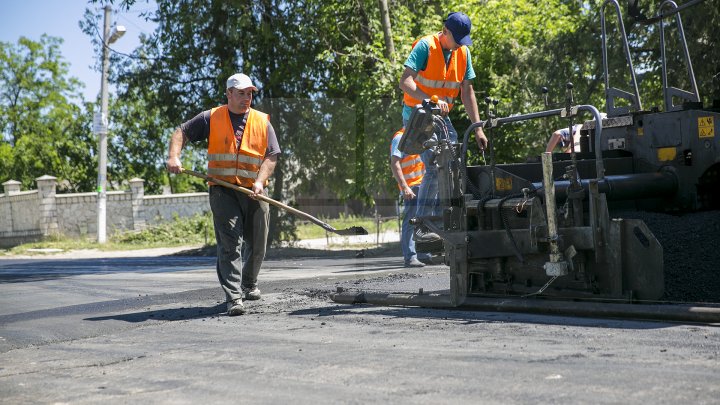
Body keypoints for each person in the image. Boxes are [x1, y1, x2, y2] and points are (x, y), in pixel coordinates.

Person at [166, 73, 281, 316]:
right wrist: (174, 156)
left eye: (250, 93)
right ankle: (234, 297)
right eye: (241, 93)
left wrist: (259, 183)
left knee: (258, 242)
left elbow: (272, 155)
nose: (246, 98)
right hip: (222, 190)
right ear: (228, 93)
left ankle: (249, 283)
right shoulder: (211, 117)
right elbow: (181, 132)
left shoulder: (262, 121)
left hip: (254, 191)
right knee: (230, 244)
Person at [399, 11, 488, 243]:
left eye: (463, 41)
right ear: (445, 31)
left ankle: (443, 219)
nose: (460, 45)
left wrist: (478, 127)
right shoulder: (425, 47)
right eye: (456, 39)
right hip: (418, 114)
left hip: (440, 116)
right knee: (434, 161)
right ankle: (423, 224)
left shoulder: (463, 53)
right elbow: (405, 81)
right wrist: (427, 99)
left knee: (453, 160)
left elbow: (467, 92)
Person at [390, 128, 432, 267]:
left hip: (423, 184)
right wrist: (404, 187)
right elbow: (394, 163)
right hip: (411, 187)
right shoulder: (400, 138)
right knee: (411, 220)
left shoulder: (419, 137)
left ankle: (423, 254)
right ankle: (410, 257)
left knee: (424, 219)